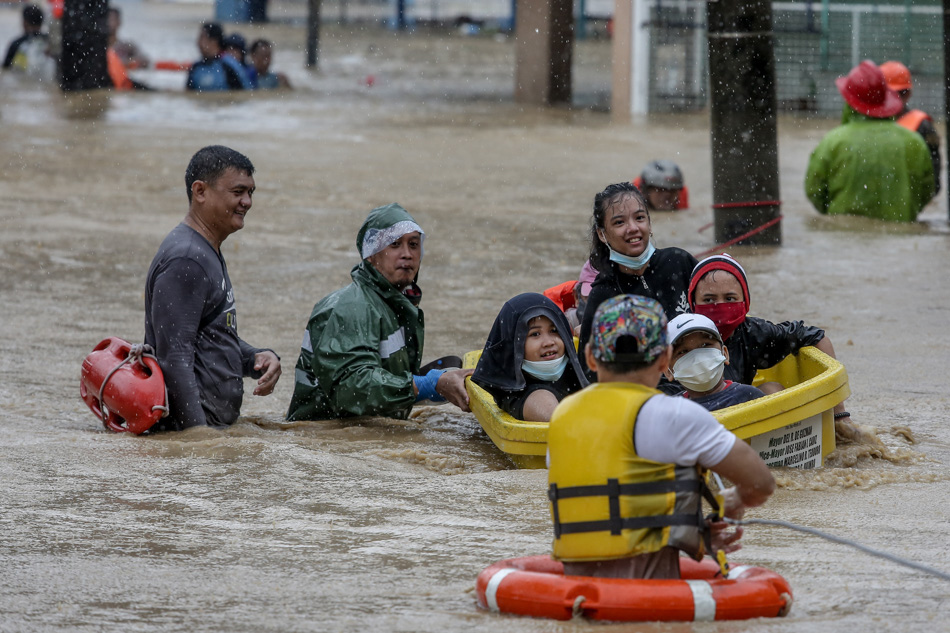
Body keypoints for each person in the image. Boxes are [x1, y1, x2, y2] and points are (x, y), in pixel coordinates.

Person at [547, 295, 775, 579]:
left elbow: (614, 498)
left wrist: (697, 536)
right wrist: (736, 499)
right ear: (665, 359)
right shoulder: (676, 414)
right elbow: (761, 482)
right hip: (648, 595)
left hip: (576, 590)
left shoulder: (562, 416)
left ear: (591, 356)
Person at [286, 203, 472, 421]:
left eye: (413, 244)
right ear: (371, 255)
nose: (407, 254)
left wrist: (434, 386)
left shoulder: (394, 302)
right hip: (323, 439)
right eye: (394, 244)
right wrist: (424, 386)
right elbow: (353, 389)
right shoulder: (351, 307)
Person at [144, 146, 282, 431]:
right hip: (192, 434)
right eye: (238, 192)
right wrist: (199, 437)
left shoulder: (205, 250)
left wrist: (253, 357)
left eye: (251, 193)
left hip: (215, 427)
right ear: (200, 191)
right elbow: (174, 357)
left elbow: (209, 336)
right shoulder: (187, 258)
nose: (247, 202)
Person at [687, 253, 864, 440]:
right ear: (692, 303)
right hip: (694, 423)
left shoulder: (753, 333)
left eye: (730, 298)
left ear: (745, 302)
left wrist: (839, 416)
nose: (720, 306)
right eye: (709, 300)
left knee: (772, 389)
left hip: (741, 420)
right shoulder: (679, 339)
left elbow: (817, 337)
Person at [577, 182, 697, 376]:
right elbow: (589, 370)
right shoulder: (604, 293)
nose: (632, 228)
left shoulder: (680, 262)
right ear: (602, 234)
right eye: (619, 222)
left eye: (639, 218)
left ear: (649, 224)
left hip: (702, 375)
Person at [805, 60, 933, 223]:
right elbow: (927, 190)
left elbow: (814, 190)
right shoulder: (915, 142)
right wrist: (903, 214)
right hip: (898, 235)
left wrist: (834, 212)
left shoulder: (833, 142)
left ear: (849, 101)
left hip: (844, 236)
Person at [472, 293, 588, 422]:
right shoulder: (528, 395)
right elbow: (564, 422)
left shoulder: (576, 370)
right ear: (513, 345)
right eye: (535, 334)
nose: (549, 342)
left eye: (554, 330)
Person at [666, 313, 764, 411]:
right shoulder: (671, 411)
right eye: (683, 351)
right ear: (668, 371)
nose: (697, 357)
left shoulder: (748, 397)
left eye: (705, 345)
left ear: (724, 354)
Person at [880, 60, 941, 197]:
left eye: (896, 94)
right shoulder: (869, 124)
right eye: (885, 94)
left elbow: (933, 182)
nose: (889, 100)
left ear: (907, 94)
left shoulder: (923, 127)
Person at [185, 22, 252, 92]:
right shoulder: (195, 67)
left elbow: (245, 94)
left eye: (202, 37)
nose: (198, 42)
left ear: (214, 41)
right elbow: (187, 96)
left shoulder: (230, 66)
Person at [2, 4, 51, 77]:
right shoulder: (50, 41)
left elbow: (5, 70)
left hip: (22, 82)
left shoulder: (16, 44)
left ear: (24, 22)